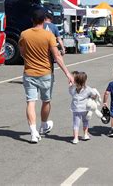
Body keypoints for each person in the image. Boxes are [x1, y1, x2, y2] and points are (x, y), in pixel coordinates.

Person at [19, 9, 73, 143]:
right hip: (46, 73)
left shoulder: (24, 35)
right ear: (44, 20)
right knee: (46, 100)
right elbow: (57, 56)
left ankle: (33, 132)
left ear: (32, 20)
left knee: (31, 102)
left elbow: (22, 53)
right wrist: (68, 73)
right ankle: (43, 124)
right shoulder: (49, 36)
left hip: (29, 73)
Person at [69, 71, 99, 144]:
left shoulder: (73, 88)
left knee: (76, 124)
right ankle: (85, 135)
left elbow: (70, 92)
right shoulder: (88, 89)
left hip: (76, 109)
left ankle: (75, 138)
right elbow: (94, 95)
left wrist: (70, 85)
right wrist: (92, 97)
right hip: (85, 108)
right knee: (85, 121)